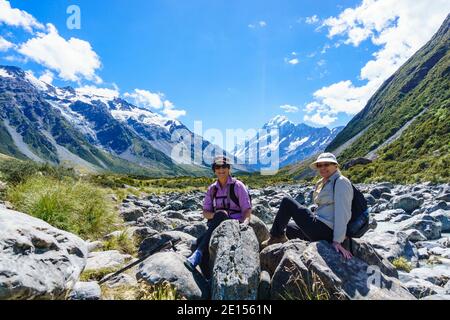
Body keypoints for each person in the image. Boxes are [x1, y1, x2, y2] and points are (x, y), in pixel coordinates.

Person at [261, 152, 353, 259]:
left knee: (287, 202)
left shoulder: (341, 182)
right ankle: (301, 242)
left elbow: (343, 213)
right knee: (290, 228)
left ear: (335, 166)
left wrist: (338, 241)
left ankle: (276, 237)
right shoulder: (323, 182)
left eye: (326, 164)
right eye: (319, 165)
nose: (322, 168)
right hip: (320, 225)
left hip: (327, 230)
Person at [185, 155, 252, 275]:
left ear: (229, 168)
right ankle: (208, 277)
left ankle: (197, 255)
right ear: (214, 169)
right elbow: (205, 213)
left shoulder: (238, 186)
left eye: (224, 166)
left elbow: (247, 210)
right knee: (195, 243)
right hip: (216, 226)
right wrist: (215, 216)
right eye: (218, 167)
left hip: (234, 225)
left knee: (221, 215)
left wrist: (245, 224)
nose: (221, 170)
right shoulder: (212, 189)